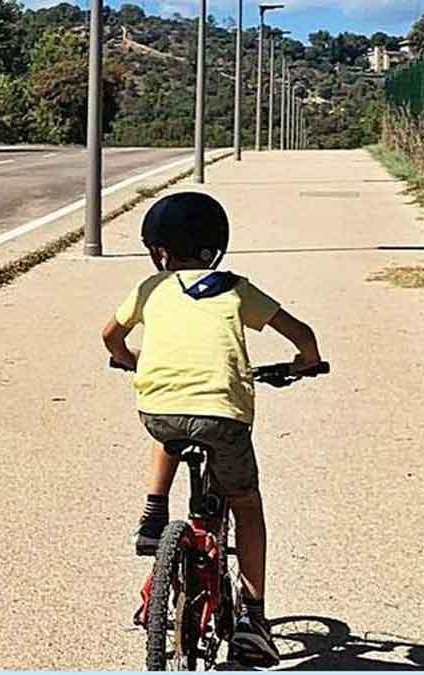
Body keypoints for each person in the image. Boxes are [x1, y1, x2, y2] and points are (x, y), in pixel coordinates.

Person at [101, 192, 321, 667]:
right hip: (223, 415)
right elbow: (302, 335)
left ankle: (153, 515)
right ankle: (254, 620)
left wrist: (130, 361)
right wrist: (307, 363)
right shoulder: (237, 289)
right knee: (246, 502)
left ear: (158, 250)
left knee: (169, 431)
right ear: (216, 246)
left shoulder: (150, 289)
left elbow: (110, 337)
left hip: (158, 407)